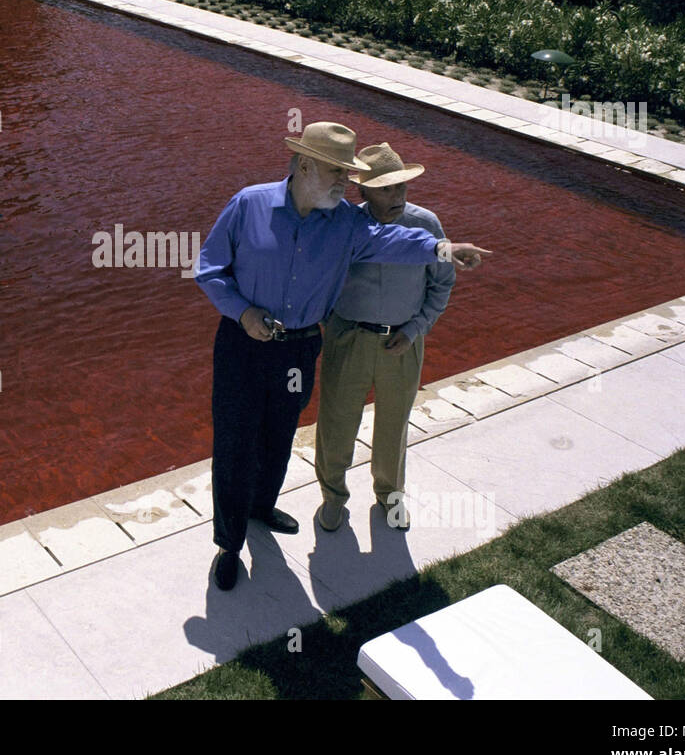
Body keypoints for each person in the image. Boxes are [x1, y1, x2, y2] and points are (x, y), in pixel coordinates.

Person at [194, 122, 490, 591]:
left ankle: (262, 505)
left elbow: (393, 241)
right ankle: (228, 545)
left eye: (347, 173)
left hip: (300, 346)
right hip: (243, 344)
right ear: (305, 165)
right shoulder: (248, 203)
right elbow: (209, 269)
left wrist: (444, 248)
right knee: (235, 441)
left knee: (280, 433)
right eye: (337, 171)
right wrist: (243, 312)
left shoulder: (348, 222)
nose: (345, 182)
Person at [314, 143, 454, 533]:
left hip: (403, 341)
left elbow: (441, 285)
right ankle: (333, 497)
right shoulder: (342, 224)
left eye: (402, 187)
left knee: (394, 425)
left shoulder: (426, 224)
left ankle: (390, 495)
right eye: (387, 189)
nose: (399, 195)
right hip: (348, 338)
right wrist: (333, 324)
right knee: (336, 423)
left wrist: (415, 330)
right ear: (364, 190)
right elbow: (319, 276)